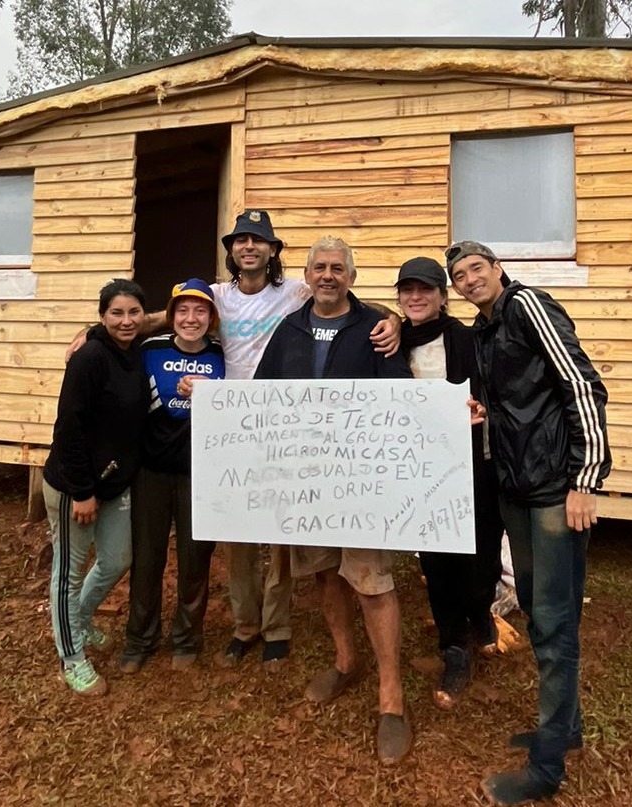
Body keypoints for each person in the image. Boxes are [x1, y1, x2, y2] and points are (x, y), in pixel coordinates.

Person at [65, 210, 400, 671]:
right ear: (231, 251)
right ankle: (245, 626)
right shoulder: (217, 296)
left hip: (281, 424)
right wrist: (96, 330)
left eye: (258, 240)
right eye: (240, 240)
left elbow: (351, 302)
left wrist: (396, 318)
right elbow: (169, 315)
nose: (249, 247)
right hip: (228, 427)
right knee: (237, 539)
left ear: (272, 251)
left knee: (281, 539)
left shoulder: (297, 291)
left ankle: (277, 629)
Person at [446, 241, 611, 806]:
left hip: (553, 492)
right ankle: (565, 729)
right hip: (517, 487)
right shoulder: (485, 331)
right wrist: (484, 411)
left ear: (497, 269)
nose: (469, 280)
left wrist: (585, 478)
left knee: (557, 620)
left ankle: (546, 768)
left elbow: (581, 385)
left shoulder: (527, 306)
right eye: (459, 276)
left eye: (476, 269)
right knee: (542, 611)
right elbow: (523, 401)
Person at [253, 236, 415, 765]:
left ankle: (391, 698)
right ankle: (347, 663)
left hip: (361, 482)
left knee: (371, 581)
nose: (327, 275)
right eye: (319, 267)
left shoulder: (374, 328)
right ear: (306, 273)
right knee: (325, 574)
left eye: (337, 267)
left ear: (351, 274)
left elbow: (397, 396)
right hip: (306, 482)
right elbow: (260, 395)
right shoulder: (290, 328)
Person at [395, 256, 504, 711]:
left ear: (442, 297)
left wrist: (483, 411)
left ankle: (480, 612)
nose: (416, 297)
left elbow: (497, 391)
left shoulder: (469, 339)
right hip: (419, 472)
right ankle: (453, 646)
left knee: (480, 558)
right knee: (438, 564)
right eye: (407, 290)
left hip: (474, 465)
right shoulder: (390, 343)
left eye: (426, 289)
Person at [43, 279, 147, 696]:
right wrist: (82, 491)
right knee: (68, 573)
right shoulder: (89, 358)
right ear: (102, 316)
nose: (126, 321)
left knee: (118, 557)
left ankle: (82, 620)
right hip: (74, 485)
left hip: (115, 482)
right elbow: (68, 426)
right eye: (116, 313)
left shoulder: (136, 351)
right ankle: (71, 656)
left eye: (133, 312)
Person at [119, 279, 226, 674]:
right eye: (183, 310)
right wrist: (86, 334)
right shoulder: (150, 349)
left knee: (196, 558)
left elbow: (239, 403)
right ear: (171, 316)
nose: (191, 318)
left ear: (212, 318)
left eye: (200, 311)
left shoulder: (223, 354)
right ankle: (140, 638)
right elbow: (114, 341)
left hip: (202, 472)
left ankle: (187, 637)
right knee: (146, 557)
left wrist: (212, 392)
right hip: (151, 470)